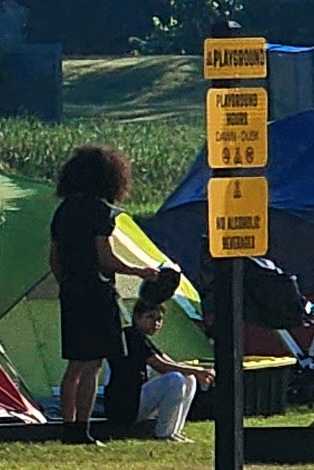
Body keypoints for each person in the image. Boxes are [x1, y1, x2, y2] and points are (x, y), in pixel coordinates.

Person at [49, 144, 131, 442]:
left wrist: (67, 284)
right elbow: (105, 257)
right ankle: (82, 428)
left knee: (73, 364)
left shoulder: (63, 211)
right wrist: (141, 271)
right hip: (96, 290)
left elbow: (54, 259)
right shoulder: (101, 211)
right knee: (92, 364)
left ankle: (67, 426)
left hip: (71, 290)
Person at [102, 268, 215, 439]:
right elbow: (162, 366)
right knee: (175, 379)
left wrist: (200, 369)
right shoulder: (131, 336)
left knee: (188, 378)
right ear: (137, 317)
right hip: (124, 406)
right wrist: (198, 371)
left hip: (136, 402)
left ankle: (175, 431)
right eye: (150, 317)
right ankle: (164, 433)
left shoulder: (144, 339)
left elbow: (167, 360)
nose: (156, 323)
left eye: (159, 319)